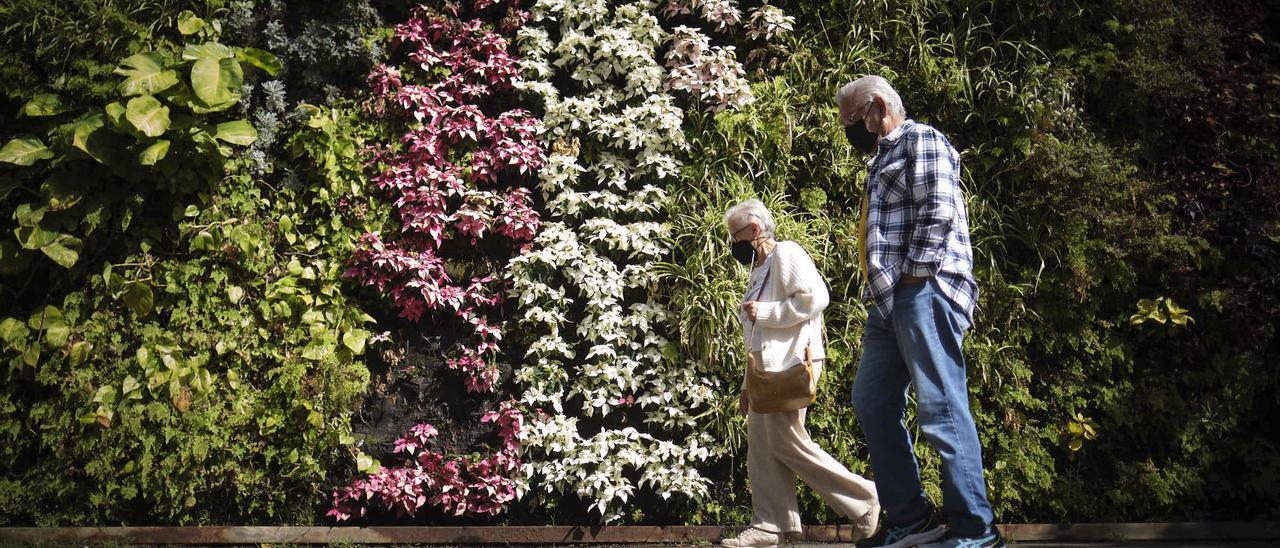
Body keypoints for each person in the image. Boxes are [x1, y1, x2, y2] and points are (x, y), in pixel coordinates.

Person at [835, 75, 1004, 548]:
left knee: (941, 407)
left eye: (852, 120)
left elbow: (939, 209)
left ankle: (976, 529)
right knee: (871, 400)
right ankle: (912, 519)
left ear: (877, 108)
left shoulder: (921, 139)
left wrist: (913, 276)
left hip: (924, 290)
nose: (849, 130)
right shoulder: (880, 158)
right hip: (890, 303)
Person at [719, 199, 880, 548]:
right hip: (765, 370)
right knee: (761, 446)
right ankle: (769, 525)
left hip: (791, 364)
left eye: (736, 236)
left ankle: (865, 499)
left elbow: (816, 298)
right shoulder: (757, 270)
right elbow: (755, 334)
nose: (734, 244)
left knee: (786, 441)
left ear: (755, 230)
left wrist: (768, 311)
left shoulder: (786, 254)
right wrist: (748, 383)